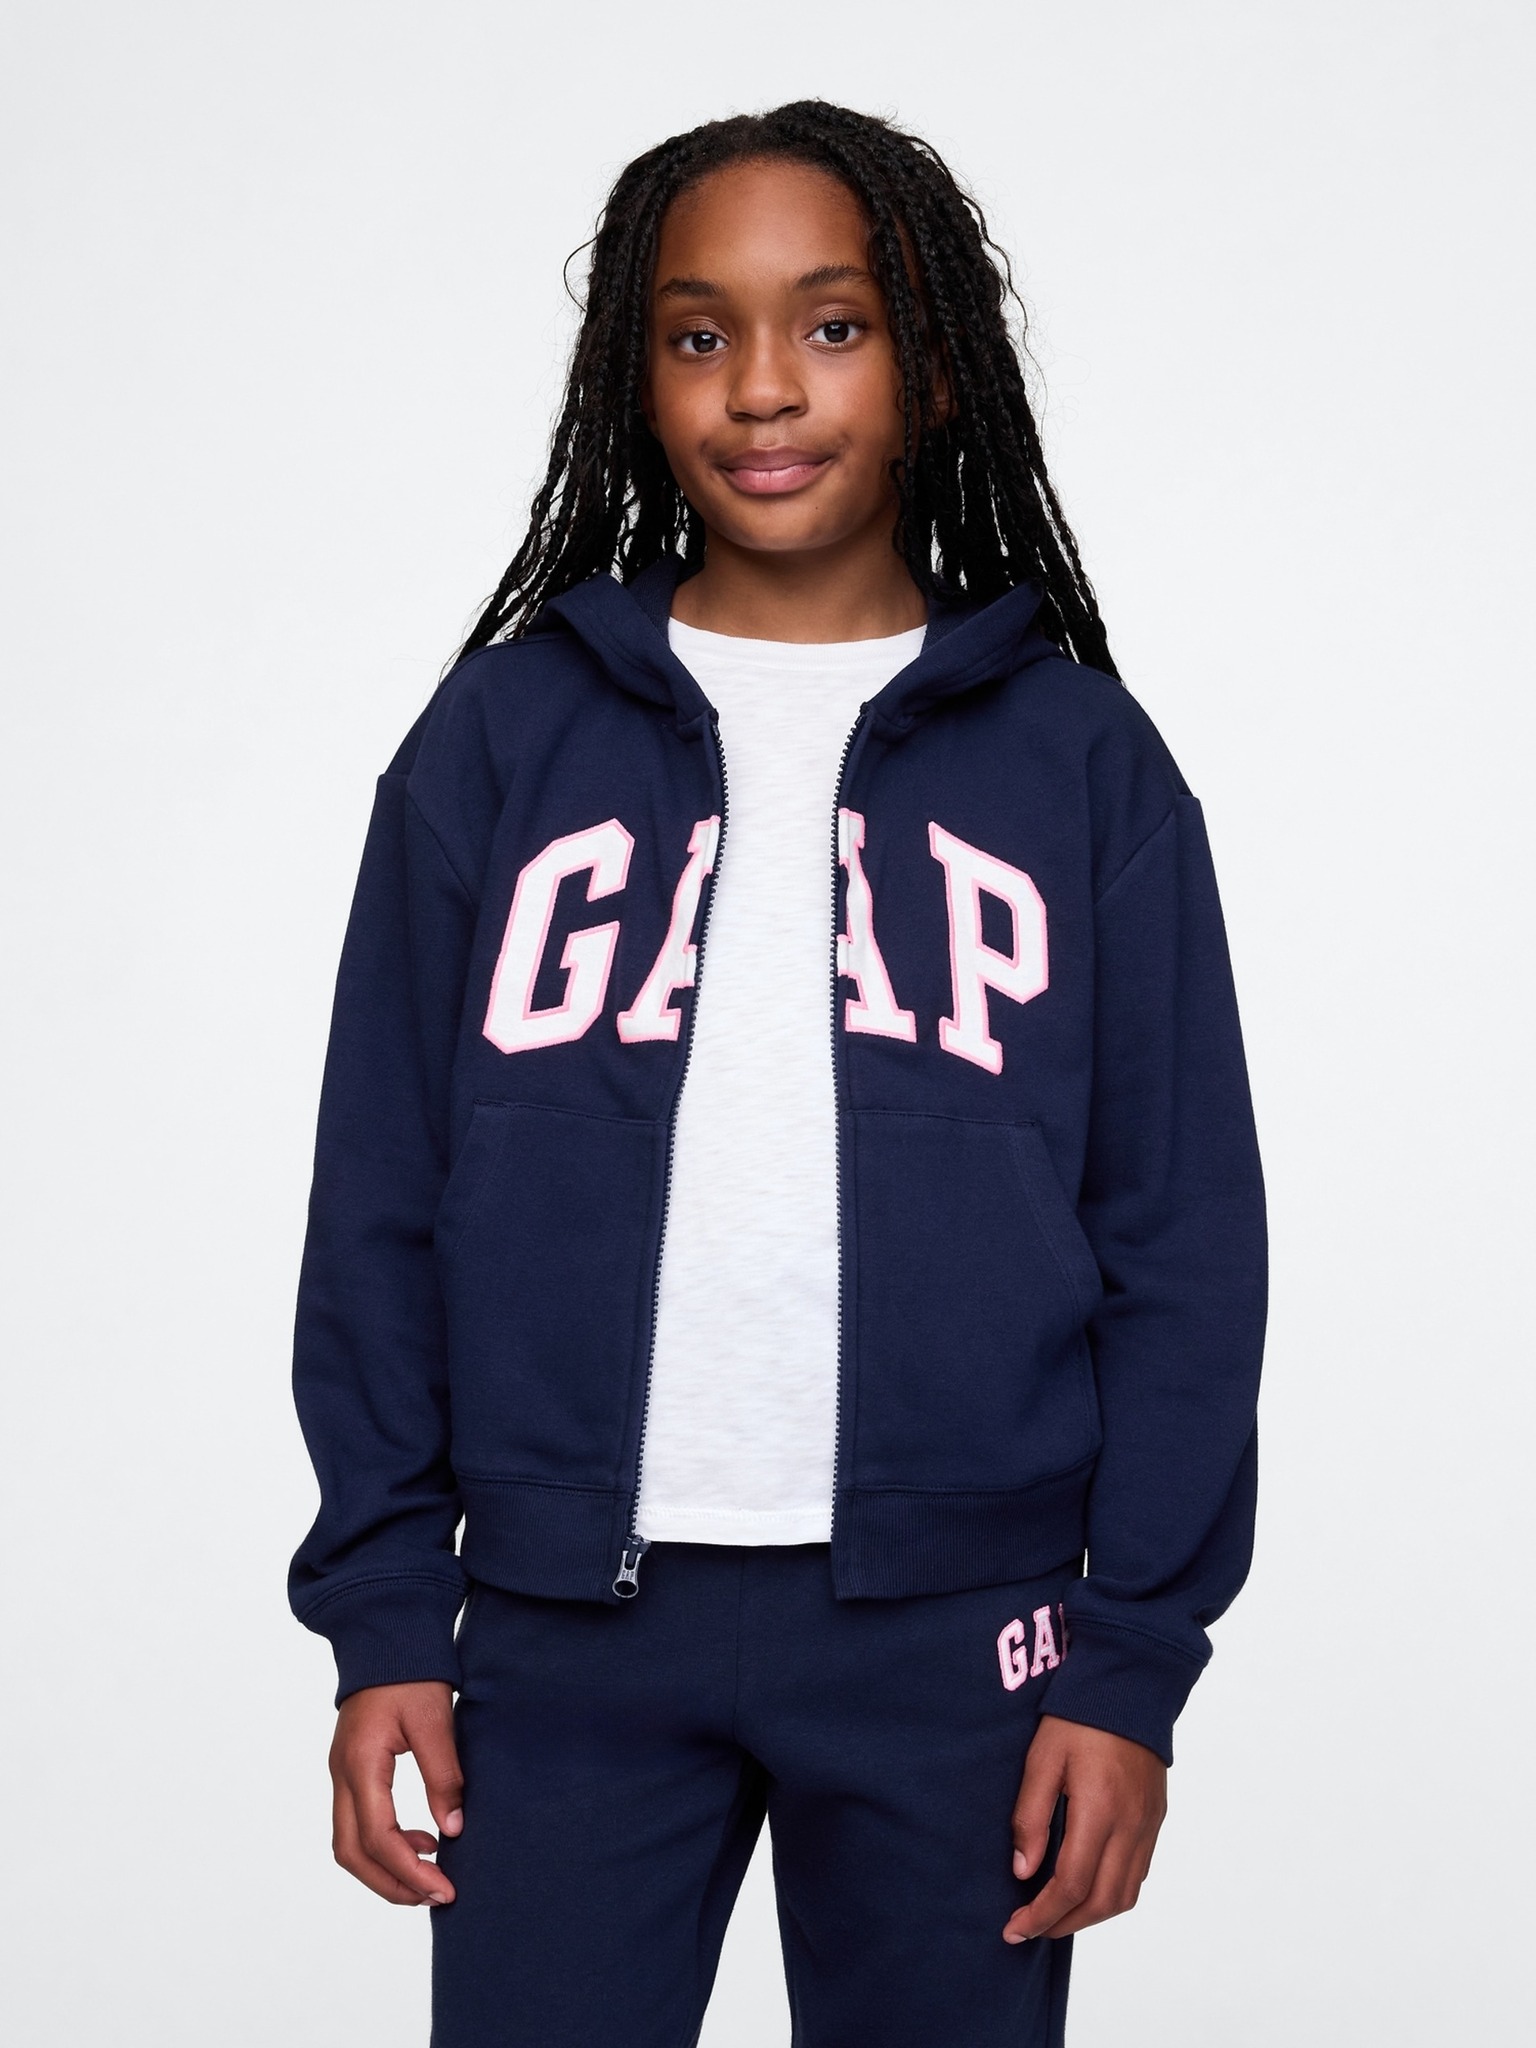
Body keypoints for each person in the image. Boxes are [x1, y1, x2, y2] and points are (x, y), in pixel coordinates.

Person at [288, 100, 1266, 2048]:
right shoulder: (501, 739)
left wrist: (1128, 1662)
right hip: (562, 1632)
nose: (761, 387)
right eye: (696, 332)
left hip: (961, 1639)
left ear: (934, 368)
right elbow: (380, 1196)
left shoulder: (1083, 766)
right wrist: (388, 1609)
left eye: (831, 325)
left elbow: (1179, 1239)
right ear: (632, 378)